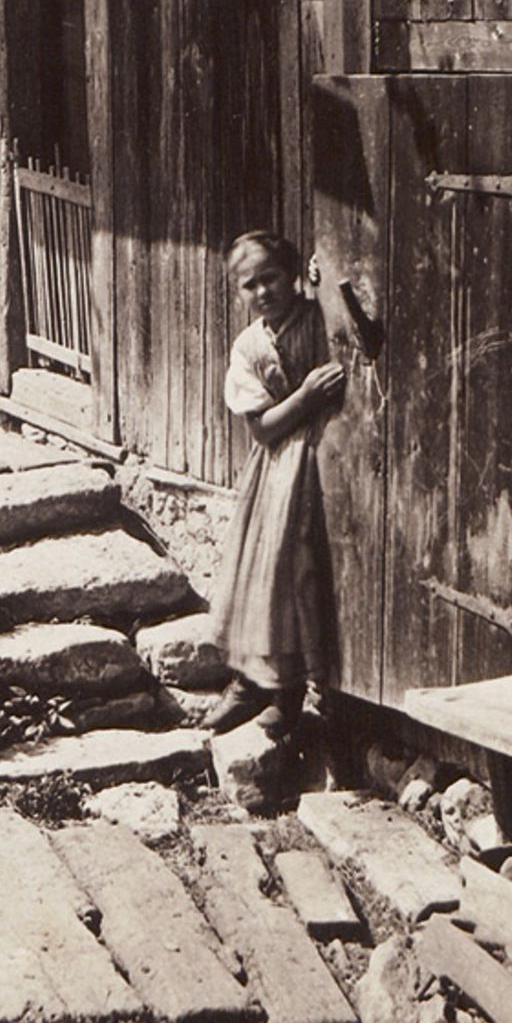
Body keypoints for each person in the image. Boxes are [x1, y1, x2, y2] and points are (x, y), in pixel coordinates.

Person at [206, 229, 344, 740]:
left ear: (290, 275)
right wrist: (305, 398)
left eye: (270, 277)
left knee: (312, 576)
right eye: (249, 285)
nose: (263, 292)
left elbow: (337, 312)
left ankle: (301, 692)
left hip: (327, 461)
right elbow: (262, 428)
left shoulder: (316, 318)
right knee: (269, 576)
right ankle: (263, 686)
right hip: (280, 467)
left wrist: (321, 284)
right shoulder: (248, 347)